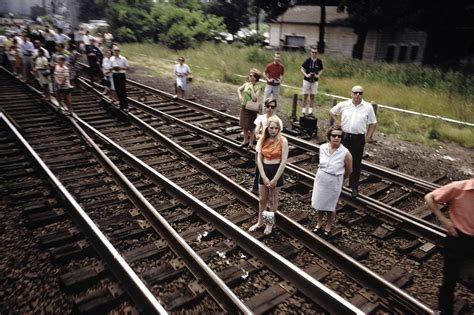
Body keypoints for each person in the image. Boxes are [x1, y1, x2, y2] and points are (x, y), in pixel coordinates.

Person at [424, 178, 474, 315]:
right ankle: (444, 311)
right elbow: (429, 197)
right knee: (449, 279)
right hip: (458, 239)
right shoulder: (459, 188)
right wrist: (444, 220)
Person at [329, 85, 377, 198]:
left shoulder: (368, 107)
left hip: (358, 138)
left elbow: (373, 123)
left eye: (360, 93)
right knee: (340, 161)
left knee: (356, 163)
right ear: (351, 93)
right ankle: (338, 184)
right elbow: (332, 111)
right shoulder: (344, 104)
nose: (357, 95)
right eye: (355, 93)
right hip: (345, 137)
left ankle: (354, 186)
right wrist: (337, 122)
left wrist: (368, 137)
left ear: (362, 94)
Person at [248, 116, 288, 235]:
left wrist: (275, 179)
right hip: (264, 172)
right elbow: (259, 160)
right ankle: (260, 222)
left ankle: (269, 224)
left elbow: (283, 162)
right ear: (267, 128)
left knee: (272, 200)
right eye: (271, 128)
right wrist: (264, 177)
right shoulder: (262, 140)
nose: (273, 130)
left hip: (276, 172)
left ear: (279, 129)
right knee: (262, 200)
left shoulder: (283, 141)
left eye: (276, 128)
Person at [311, 125, 352, 237]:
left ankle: (328, 226)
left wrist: (340, 179)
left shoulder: (345, 153)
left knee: (330, 206)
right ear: (329, 136)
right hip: (321, 178)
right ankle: (319, 224)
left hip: (334, 180)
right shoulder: (323, 147)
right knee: (320, 203)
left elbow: (349, 170)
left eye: (339, 136)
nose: (336, 138)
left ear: (342, 138)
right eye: (334, 135)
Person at [251, 97, 282, 193]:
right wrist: (264, 136)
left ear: (275, 108)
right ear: (265, 107)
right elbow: (256, 134)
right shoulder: (260, 118)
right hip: (260, 148)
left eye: (272, 107)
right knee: (258, 170)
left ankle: (268, 190)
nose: (270, 108)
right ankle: (255, 188)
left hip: (272, 150)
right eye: (268, 106)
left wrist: (263, 136)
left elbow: (278, 136)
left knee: (269, 169)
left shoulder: (278, 121)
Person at [237, 69, 264, 149]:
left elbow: (255, 99)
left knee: (251, 127)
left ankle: (251, 143)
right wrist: (240, 96)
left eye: (251, 76)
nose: (249, 76)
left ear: (255, 78)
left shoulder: (258, 87)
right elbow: (239, 89)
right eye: (249, 75)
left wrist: (252, 88)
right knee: (244, 125)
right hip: (244, 107)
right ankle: (245, 141)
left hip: (252, 108)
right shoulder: (246, 84)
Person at [300, 47, 323, 117]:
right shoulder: (307, 60)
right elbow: (301, 68)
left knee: (312, 96)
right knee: (305, 96)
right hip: (306, 80)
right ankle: (303, 111)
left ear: (317, 53)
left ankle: (310, 111)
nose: (314, 54)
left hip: (315, 81)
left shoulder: (319, 61)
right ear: (310, 52)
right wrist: (306, 75)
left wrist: (318, 75)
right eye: (313, 52)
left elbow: (321, 69)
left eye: (315, 52)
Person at [110, 47, 130, 112]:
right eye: (115, 51)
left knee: (123, 91)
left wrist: (120, 68)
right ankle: (121, 105)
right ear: (113, 51)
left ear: (119, 51)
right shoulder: (112, 58)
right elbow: (110, 67)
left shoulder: (123, 58)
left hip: (121, 75)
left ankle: (125, 106)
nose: (116, 52)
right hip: (115, 74)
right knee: (118, 91)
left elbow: (127, 67)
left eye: (117, 51)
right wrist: (113, 68)